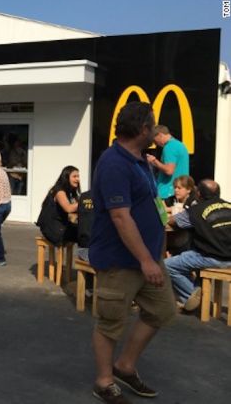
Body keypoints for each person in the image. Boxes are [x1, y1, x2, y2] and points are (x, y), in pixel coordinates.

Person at [88, 101, 175, 404]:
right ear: (143, 129)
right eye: (153, 125)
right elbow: (120, 217)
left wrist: (157, 250)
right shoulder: (114, 163)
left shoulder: (140, 159)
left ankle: (125, 366)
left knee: (162, 311)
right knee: (111, 322)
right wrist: (146, 259)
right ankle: (103, 381)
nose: (156, 129)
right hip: (120, 261)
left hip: (147, 259)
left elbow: (151, 207)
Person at [165, 180, 231, 311]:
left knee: (167, 266)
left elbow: (173, 221)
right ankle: (197, 288)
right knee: (189, 254)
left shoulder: (196, 210)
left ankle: (191, 295)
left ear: (198, 194)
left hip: (212, 258)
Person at [36, 166, 81, 245]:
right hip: (52, 227)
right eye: (74, 176)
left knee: (85, 231)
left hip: (60, 224)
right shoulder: (59, 191)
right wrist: (84, 202)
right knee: (84, 234)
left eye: (78, 176)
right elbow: (68, 208)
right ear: (66, 178)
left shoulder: (69, 192)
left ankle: (86, 255)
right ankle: (85, 256)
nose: (77, 179)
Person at [146, 125, 189, 201]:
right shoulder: (179, 145)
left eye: (154, 140)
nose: (155, 144)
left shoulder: (169, 147)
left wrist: (154, 161)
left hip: (167, 193)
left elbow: (169, 171)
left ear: (160, 135)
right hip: (177, 191)